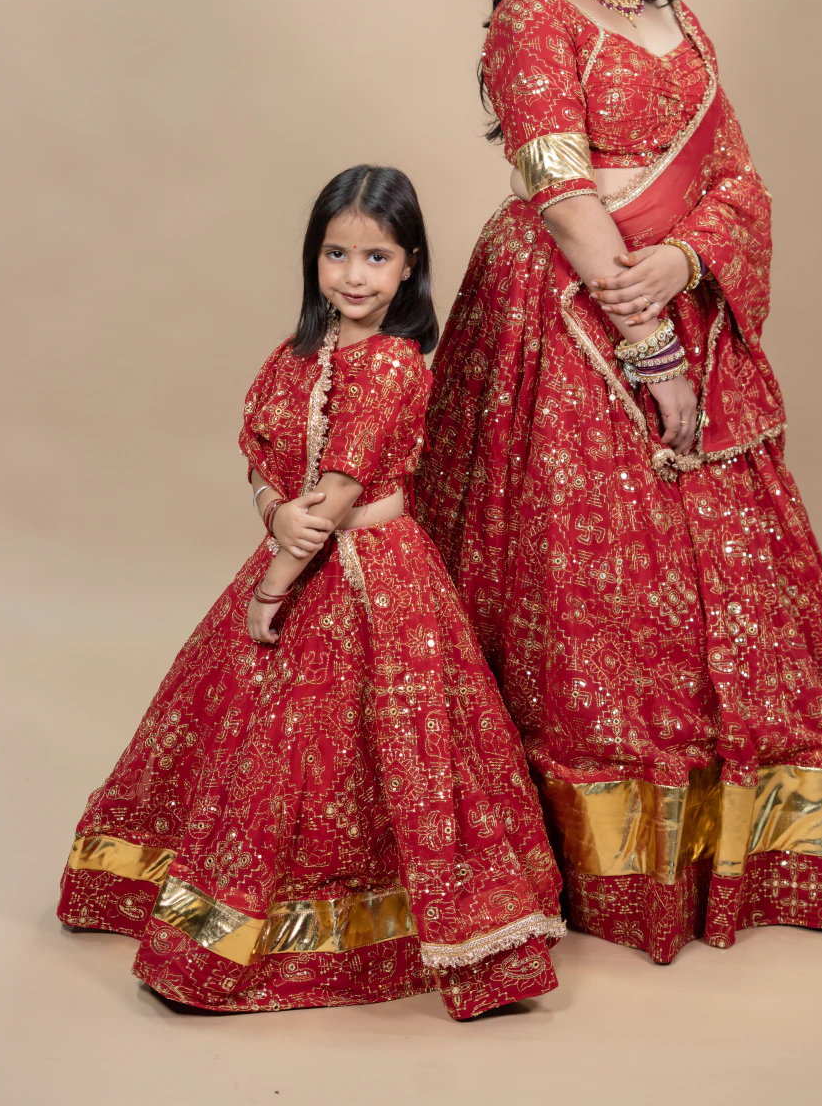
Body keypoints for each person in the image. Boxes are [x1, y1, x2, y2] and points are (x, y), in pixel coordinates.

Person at [415, 0, 822, 964]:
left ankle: (725, 831)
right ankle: (579, 845)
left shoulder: (683, 26)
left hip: (676, 292)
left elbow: (739, 179)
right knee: (577, 564)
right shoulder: (532, 17)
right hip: (562, 315)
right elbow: (554, 179)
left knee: (730, 571)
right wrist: (642, 332)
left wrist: (687, 261)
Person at [57, 165, 564, 1016]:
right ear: (313, 259)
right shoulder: (302, 353)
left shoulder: (396, 364)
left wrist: (273, 582)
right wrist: (271, 508)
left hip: (374, 578)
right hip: (298, 551)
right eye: (336, 254)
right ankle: (209, 904)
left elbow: (338, 491)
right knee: (255, 739)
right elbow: (261, 448)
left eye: (376, 257)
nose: (353, 275)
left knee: (353, 744)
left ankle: (354, 924)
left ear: (410, 268)